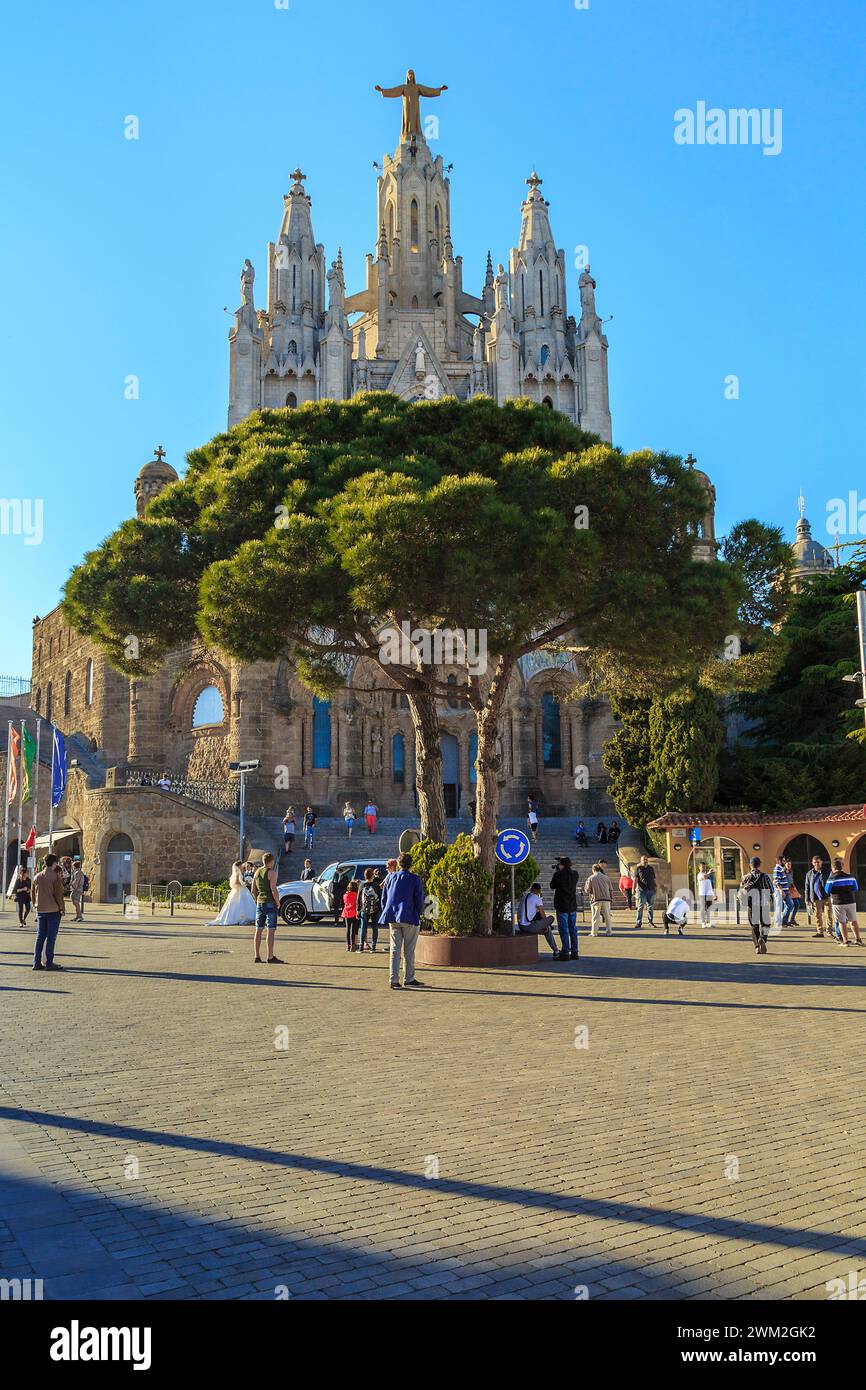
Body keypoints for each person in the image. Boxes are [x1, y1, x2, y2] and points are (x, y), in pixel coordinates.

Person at [379, 852, 425, 989]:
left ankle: (393, 979)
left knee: (395, 949)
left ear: (399, 864)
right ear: (411, 864)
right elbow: (419, 899)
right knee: (409, 950)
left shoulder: (391, 878)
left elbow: (384, 898)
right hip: (409, 916)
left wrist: (387, 911)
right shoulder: (415, 879)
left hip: (393, 916)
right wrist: (418, 913)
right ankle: (409, 978)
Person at [32, 853, 66, 971]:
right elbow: (58, 895)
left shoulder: (37, 876)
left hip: (40, 909)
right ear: (54, 863)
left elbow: (33, 893)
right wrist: (62, 908)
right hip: (53, 910)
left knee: (40, 936)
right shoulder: (55, 877)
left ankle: (36, 962)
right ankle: (49, 962)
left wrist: (36, 905)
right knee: (51, 937)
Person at [252, 853, 284, 964]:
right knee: (270, 930)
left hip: (260, 902)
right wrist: (278, 902)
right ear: (271, 861)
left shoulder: (256, 872)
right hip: (270, 902)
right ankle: (270, 956)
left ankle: (257, 955)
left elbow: (253, 890)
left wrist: (256, 900)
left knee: (258, 930)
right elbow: (273, 889)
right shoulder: (272, 873)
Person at [517, 881, 562, 958]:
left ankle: (556, 950)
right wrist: (545, 924)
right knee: (551, 919)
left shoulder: (525, 897)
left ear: (531, 889)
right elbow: (543, 915)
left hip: (521, 925)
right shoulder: (537, 898)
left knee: (547, 928)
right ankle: (556, 951)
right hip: (529, 926)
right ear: (538, 891)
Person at [738, 856, 773, 954]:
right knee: (766, 924)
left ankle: (757, 946)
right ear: (759, 865)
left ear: (750, 865)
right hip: (763, 903)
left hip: (751, 904)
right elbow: (771, 890)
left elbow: (741, 892)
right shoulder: (764, 876)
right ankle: (763, 938)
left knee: (754, 925)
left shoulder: (745, 877)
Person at [825, 858, 864, 946]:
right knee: (853, 921)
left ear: (833, 868)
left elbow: (827, 890)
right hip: (851, 901)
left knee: (841, 922)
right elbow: (856, 888)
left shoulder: (831, 878)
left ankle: (845, 941)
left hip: (838, 902)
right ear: (842, 867)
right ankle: (858, 939)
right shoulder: (851, 876)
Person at [210, 861, 258, 926]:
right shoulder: (238, 873)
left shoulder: (237, 873)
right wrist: (244, 884)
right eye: (241, 865)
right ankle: (242, 918)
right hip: (241, 890)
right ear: (239, 866)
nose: (242, 866)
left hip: (240, 890)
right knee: (241, 904)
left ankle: (245, 917)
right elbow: (236, 883)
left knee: (241, 903)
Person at [550, 857, 580, 960]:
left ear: (561, 865)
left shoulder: (558, 875)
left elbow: (552, 885)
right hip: (572, 905)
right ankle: (575, 952)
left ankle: (565, 953)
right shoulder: (575, 874)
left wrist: (558, 872)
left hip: (562, 905)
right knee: (573, 929)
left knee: (564, 929)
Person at [584, 862, 613, 937]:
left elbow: (587, 890)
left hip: (596, 899)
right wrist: (611, 898)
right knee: (607, 916)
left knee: (596, 917)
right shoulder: (606, 877)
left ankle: (594, 932)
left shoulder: (591, 878)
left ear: (593, 870)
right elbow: (610, 889)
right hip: (606, 899)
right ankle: (609, 932)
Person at [805, 854, 831, 938]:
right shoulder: (809, 874)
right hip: (815, 898)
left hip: (826, 896)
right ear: (812, 863)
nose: (817, 864)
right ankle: (820, 932)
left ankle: (829, 931)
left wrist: (821, 873)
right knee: (817, 915)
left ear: (821, 862)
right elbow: (807, 887)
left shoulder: (826, 871)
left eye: (818, 862)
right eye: (815, 862)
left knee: (829, 915)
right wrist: (807, 899)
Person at [359, 868, 382, 952]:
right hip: (375, 910)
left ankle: (361, 946)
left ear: (365, 876)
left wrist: (358, 910)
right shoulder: (376, 885)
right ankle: (373, 947)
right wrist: (380, 909)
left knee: (363, 928)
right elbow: (380, 897)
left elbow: (358, 899)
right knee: (375, 927)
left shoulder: (362, 885)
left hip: (364, 910)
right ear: (373, 875)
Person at [634, 855, 657, 929]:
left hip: (651, 890)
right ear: (641, 861)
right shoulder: (638, 868)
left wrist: (656, 887)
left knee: (650, 907)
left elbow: (654, 879)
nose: (645, 860)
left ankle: (650, 922)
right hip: (642, 890)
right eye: (643, 859)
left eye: (646, 859)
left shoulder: (651, 868)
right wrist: (633, 889)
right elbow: (635, 879)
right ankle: (638, 923)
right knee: (640, 907)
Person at [773, 854, 792, 926]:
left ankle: (783, 921)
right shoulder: (777, 868)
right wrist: (781, 890)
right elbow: (776, 880)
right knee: (778, 907)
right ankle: (777, 923)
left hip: (786, 891)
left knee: (790, 905)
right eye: (783, 860)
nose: (784, 862)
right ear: (779, 861)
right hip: (780, 891)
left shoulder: (781, 868)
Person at [342, 879, 360, 951]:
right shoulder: (356, 895)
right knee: (353, 930)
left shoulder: (345, 895)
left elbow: (344, 902)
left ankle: (348, 945)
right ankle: (353, 945)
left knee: (348, 930)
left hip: (346, 913)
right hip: (354, 913)